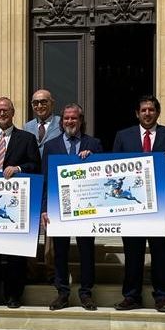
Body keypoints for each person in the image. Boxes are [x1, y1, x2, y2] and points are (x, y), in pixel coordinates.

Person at [112, 95, 165, 313]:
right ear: (137, 113)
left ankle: (163, 297)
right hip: (132, 207)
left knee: (161, 253)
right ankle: (131, 296)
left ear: (157, 113)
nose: (147, 113)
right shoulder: (123, 136)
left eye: (151, 110)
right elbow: (110, 166)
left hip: (162, 205)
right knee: (133, 253)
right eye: (144, 110)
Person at [0, 96, 41, 308]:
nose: (2, 114)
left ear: (13, 113)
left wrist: (19, 169)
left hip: (15, 206)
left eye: (6, 110)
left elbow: (35, 164)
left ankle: (14, 295)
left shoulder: (27, 138)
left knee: (15, 252)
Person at [41, 104, 103, 310]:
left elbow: (103, 176)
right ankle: (62, 293)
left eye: (74, 118)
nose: (70, 121)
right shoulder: (51, 146)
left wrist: (92, 159)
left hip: (86, 208)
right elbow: (45, 179)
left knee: (86, 251)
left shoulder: (93, 144)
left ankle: (86, 293)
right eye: (66, 118)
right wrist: (43, 208)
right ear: (62, 121)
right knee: (60, 252)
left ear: (81, 120)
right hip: (58, 208)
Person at [23, 89, 61, 158]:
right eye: (35, 103)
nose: (39, 106)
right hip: (34, 167)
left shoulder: (61, 123)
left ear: (52, 103)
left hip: (53, 165)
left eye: (43, 102)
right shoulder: (27, 127)